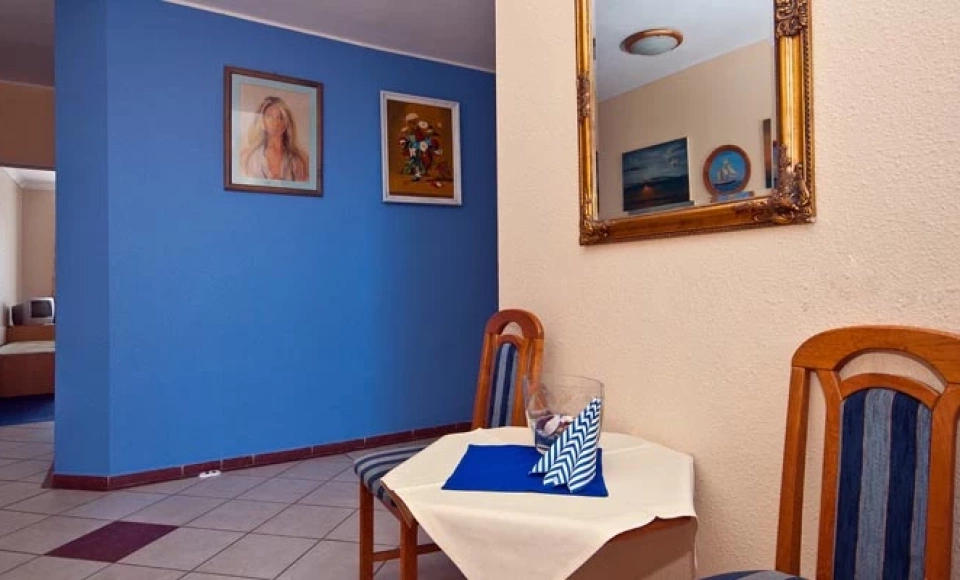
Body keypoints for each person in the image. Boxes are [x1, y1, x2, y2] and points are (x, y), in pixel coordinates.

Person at [240, 96, 309, 182]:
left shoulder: (300, 159)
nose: (276, 123)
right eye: (269, 116)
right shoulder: (248, 157)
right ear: (262, 121)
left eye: (281, 117)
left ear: (287, 123)